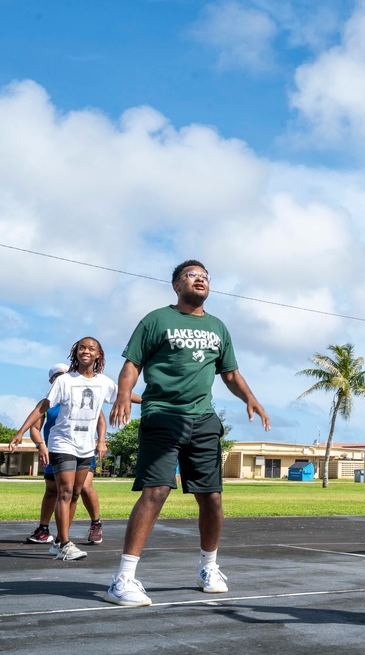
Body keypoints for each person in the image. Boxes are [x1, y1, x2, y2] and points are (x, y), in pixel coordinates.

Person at [106, 259, 270, 607]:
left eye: (205, 277)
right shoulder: (156, 320)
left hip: (203, 420)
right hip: (162, 415)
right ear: (177, 285)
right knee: (156, 491)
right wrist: (123, 392)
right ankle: (123, 579)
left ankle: (208, 568)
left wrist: (251, 398)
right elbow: (132, 364)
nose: (200, 280)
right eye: (192, 275)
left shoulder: (218, 327)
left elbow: (230, 373)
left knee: (212, 497)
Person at [15, 338, 121, 561]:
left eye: (91, 348)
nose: (86, 351)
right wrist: (21, 431)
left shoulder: (104, 382)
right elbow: (42, 406)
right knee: (63, 491)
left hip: (85, 445)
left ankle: (59, 542)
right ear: (76, 352)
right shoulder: (65, 381)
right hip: (62, 443)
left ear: (98, 355)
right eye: (82, 347)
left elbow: (122, 397)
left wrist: (157, 398)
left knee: (74, 493)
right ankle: (63, 542)